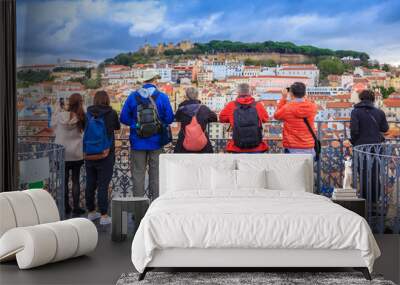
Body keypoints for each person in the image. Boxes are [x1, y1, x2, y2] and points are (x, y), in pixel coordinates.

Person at [120, 73, 174, 200]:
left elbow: (123, 118)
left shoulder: (132, 97)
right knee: (156, 176)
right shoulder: (162, 97)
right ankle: (154, 206)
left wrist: (136, 125)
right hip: (157, 142)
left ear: (143, 81)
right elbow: (170, 118)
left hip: (137, 142)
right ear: (155, 80)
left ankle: (138, 209)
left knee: (138, 175)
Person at [84, 90, 120, 225]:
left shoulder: (87, 113)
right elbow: (117, 127)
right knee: (103, 186)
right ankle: (104, 215)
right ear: (107, 100)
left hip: (89, 153)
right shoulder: (111, 113)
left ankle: (92, 212)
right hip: (106, 153)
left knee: (90, 183)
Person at [350, 89, 389, 206]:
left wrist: (355, 142)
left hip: (361, 146)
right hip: (376, 147)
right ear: (373, 99)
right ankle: (374, 200)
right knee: (375, 173)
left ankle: (364, 199)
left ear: (361, 98)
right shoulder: (379, 112)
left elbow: (354, 130)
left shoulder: (355, 112)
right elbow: (385, 129)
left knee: (362, 173)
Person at [52, 93, 85, 216]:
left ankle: (66, 206)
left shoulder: (59, 115)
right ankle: (76, 207)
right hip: (76, 153)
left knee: (64, 181)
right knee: (76, 181)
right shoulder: (81, 116)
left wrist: (57, 107)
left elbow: (52, 126)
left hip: (61, 154)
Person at [219, 83, 269, 153]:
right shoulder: (258, 105)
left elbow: (221, 118)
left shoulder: (231, 105)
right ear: (250, 92)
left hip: (237, 147)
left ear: (238, 92)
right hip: (257, 147)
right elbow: (265, 119)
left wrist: (231, 120)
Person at [274, 82, 318, 156]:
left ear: (291, 94)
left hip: (292, 146)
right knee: (308, 167)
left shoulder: (287, 108)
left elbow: (276, 116)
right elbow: (306, 102)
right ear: (304, 93)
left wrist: (283, 98)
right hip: (309, 145)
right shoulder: (312, 107)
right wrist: (304, 97)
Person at [174, 87, 217, 153]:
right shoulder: (204, 109)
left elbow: (177, 118)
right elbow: (214, 118)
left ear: (186, 96)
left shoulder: (181, 109)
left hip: (183, 145)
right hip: (203, 146)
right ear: (197, 96)